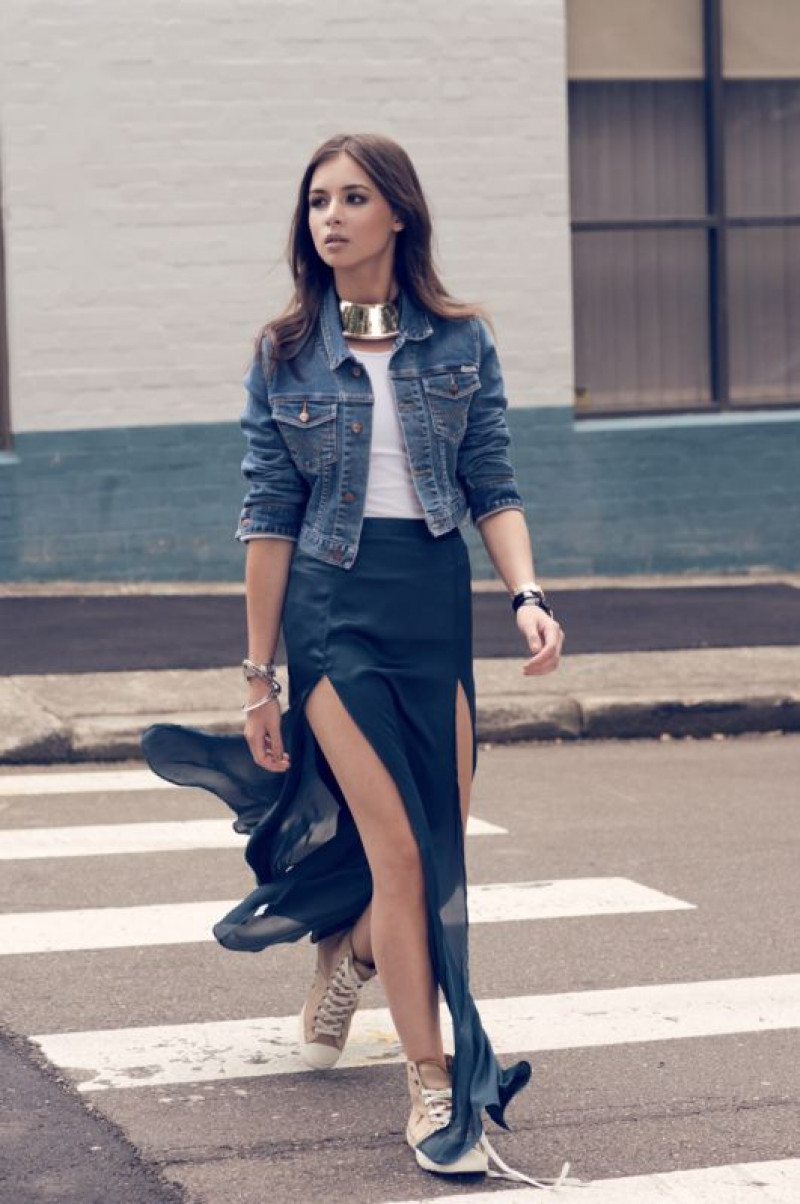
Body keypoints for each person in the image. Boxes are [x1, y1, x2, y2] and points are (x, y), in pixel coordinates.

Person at [141, 132, 575, 1188]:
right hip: (331, 612)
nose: (328, 216)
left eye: (351, 198)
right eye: (316, 201)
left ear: (397, 216)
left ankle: (352, 954)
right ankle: (432, 1079)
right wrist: (258, 676)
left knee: (437, 841)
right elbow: (267, 516)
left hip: (431, 604)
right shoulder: (285, 350)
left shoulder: (458, 342)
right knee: (401, 853)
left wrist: (525, 594)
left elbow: (490, 481)